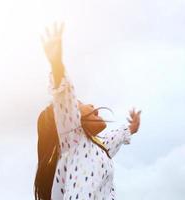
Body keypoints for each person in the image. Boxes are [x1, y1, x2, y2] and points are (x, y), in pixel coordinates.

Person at [34, 22, 141, 200]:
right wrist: (57, 66)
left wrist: (132, 128)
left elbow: (116, 136)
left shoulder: (99, 146)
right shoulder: (73, 139)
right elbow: (64, 97)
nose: (91, 104)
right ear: (71, 118)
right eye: (79, 104)